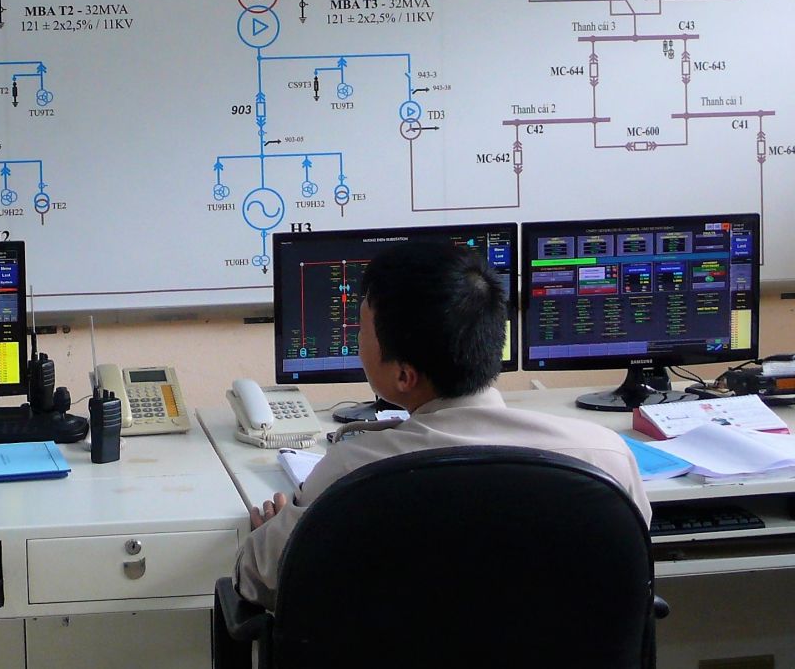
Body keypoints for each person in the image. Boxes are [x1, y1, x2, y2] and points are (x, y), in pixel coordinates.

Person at [234, 239, 650, 607]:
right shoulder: (605, 456)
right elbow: (628, 568)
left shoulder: (356, 469)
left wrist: (276, 534)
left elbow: (256, 581)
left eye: (360, 331)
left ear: (404, 375)